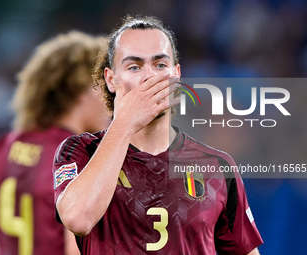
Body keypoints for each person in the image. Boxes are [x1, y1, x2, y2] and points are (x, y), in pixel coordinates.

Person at [53, 16, 263, 255]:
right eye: (134, 66)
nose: (149, 77)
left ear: (176, 75)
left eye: (160, 65)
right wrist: (125, 122)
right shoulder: (79, 150)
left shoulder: (217, 165)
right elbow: (78, 219)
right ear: (111, 79)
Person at [0, 31, 110, 255]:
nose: (111, 100)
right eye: (105, 87)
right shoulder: (80, 157)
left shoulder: (6, 145)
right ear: (80, 91)